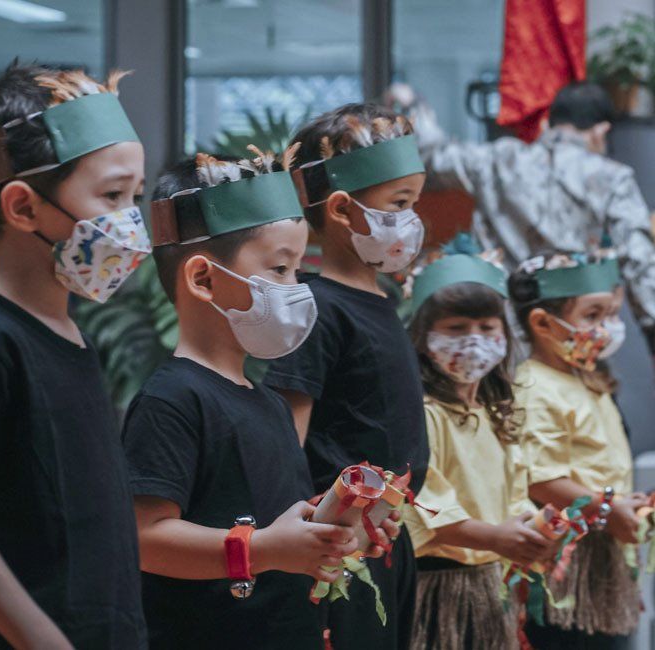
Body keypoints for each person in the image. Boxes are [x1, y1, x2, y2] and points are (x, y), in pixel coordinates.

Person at [0, 63, 150, 649]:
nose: (131, 223)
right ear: (22, 208)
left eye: (135, 197)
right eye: (112, 195)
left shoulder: (73, 338)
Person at [121, 150, 385, 648]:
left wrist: (333, 528)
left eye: (296, 270)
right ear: (202, 279)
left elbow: (275, 523)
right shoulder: (173, 399)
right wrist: (261, 549)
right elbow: (144, 539)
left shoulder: (268, 404)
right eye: (280, 269)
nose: (296, 288)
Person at [263, 103, 429, 649]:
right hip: (340, 546)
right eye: (399, 204)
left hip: (386, 542)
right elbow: (286, 442)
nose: (412, 220)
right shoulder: (317, 308)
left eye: (414, 203)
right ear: (340, 209)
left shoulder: (381, 301)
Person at [389, 82, 655, 353]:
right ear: (602, 130)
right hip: (570, 337)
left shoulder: (498, 159)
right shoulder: (612, 177)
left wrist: (413, 104)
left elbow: (432, 154)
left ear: (549, 124)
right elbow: (639, 260)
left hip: (499, 334)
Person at [402, 252, 553, 650]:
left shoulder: (495, 412)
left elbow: (515, 490)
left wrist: (536, 529)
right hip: (438, 584)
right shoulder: (423, 414)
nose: (474, 339)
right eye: (456, 327)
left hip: (491, 580)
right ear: (422, 335)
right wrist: (498, 538)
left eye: (487, 327)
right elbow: (429, 509)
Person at [510, 252, 644, 648]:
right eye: (592, 316)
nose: (607, 329)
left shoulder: (586, 376)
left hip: (604, 551)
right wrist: (606, 507)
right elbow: (542, 479)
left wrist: (620, 503)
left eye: (612, 314)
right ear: (542, 323)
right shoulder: (534, 386)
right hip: (565, 565)